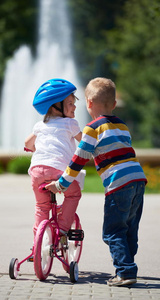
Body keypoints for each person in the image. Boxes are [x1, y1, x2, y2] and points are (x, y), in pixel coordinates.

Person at [46, 77, 147, 287]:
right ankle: (128, 266)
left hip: (118, 183)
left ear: (89, 103)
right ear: (114, 104)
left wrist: (61, 184)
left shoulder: (92, 128)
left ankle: (126, 272)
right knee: (129, 228)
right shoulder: (122, 125)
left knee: (113, 230)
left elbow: (78, 160)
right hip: (138, 179)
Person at [25, 78, 85, 240]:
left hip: (37, 171)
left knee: (42, 207)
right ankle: (63, 230)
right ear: (56, 106)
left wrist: (39, 151)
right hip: (59, 170)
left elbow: (27, 144)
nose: (75, 106)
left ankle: (39, 243)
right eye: (71, 103)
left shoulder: (39, 125)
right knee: (73, 195)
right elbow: (85, 142)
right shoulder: (71, 124)